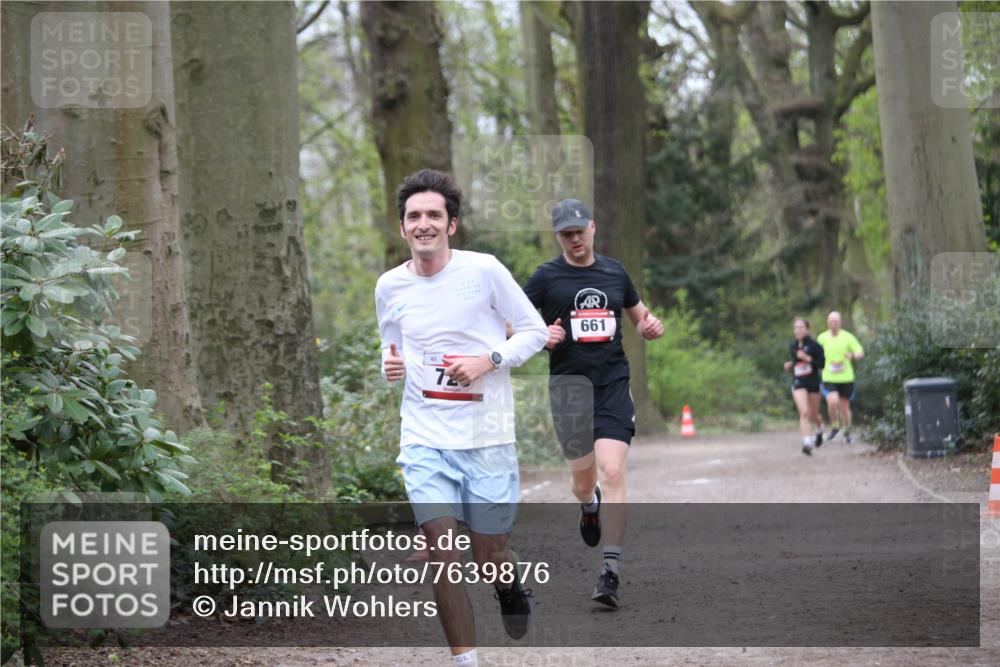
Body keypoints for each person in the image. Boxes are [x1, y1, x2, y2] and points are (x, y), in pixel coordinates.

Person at [375, 169, 548, 666]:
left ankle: (506, 580)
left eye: (434, 215)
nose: (423, 223)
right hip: (425, 436)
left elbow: (533, 332)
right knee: (442, 552)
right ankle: (465, 661)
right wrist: (389, 365)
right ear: (402, 227)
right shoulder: (389, 286)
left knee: (488, 553)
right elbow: (390, 347)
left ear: (451, 225)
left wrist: (487, 360)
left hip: (487, 435)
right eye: (414, 216)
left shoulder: (484, 271)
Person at [521, 198, 664, 609]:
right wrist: (539, 334)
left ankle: (610, 571)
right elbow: (512, 324)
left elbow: (641, 318)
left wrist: (651, 326)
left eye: (579, 231)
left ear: (593, 228)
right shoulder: (546, 278)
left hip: (612, 384)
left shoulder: (615, 272)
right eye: (566, 233)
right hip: (569, 391)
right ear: (558, 236)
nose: (575, 239)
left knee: (613, 469)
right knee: (583, 482)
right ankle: (588, 505)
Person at [817, 311, 864, 444]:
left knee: (844, 407)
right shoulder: (822, 337)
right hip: (829, 376)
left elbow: (860, 352)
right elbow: (816, 353)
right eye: (831, 321)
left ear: (840, 322)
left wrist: (853, 356)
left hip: (846, 378)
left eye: (836, 321)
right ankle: (835, 426)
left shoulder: (848, 337)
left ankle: (847, 432)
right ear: (827, 322)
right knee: (832, 401)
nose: (833, 324)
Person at [783, 317, 825, 455]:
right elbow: (797, 361)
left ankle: (819, 429)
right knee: (804, 412)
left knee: (813, 414)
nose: (798, 330)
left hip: (813, 382)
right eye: (796, 327)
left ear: (807, 329)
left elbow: (821, 364)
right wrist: (791, 364)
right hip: (799, 381)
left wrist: (808, 358)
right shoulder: (793, 346)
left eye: (801, 327)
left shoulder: (815, 346)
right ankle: (807, 443)